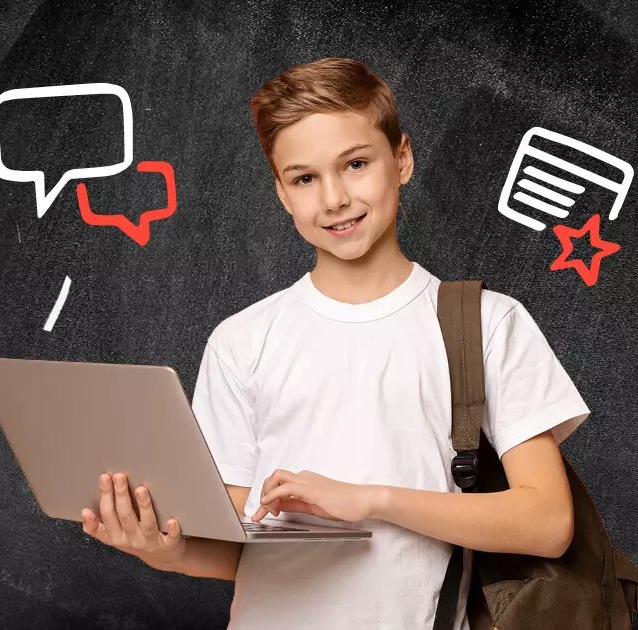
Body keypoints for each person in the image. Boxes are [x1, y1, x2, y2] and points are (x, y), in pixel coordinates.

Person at [80, 57, 590, 629]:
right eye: (304, 178)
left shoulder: (486, 324)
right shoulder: (242, 340)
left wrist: (370, 500)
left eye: (354, 164)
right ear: (281, 192)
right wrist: (161, 548)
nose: (333, 199)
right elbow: (236, 548)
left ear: (402, 159)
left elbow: (546, 523)